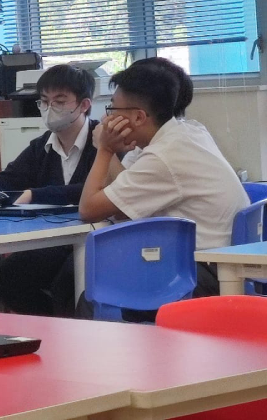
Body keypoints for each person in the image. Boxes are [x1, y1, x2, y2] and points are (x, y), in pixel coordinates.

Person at [79, 59, 248, 306]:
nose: (107, 118)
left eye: (112, 109)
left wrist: (104, 149)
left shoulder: (164, 157)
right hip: (219, 264)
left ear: (138, 117)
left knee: (90, 294)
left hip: (200, 271)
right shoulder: (188, 131)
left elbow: (88, 210)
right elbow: (124, 204)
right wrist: (111, 150)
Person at [0, 64, 98, 316]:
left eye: (60, 101)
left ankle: (68, 329)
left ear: (84, 105)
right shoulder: (41, 145)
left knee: (67, 282)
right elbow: (8, 178)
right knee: (3, 279)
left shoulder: (102, 140)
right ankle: (52, 326)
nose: (49, 108)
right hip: (54, 239)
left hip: (94, 237)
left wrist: (36, 194)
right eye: (44, 101)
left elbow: (94, 189)